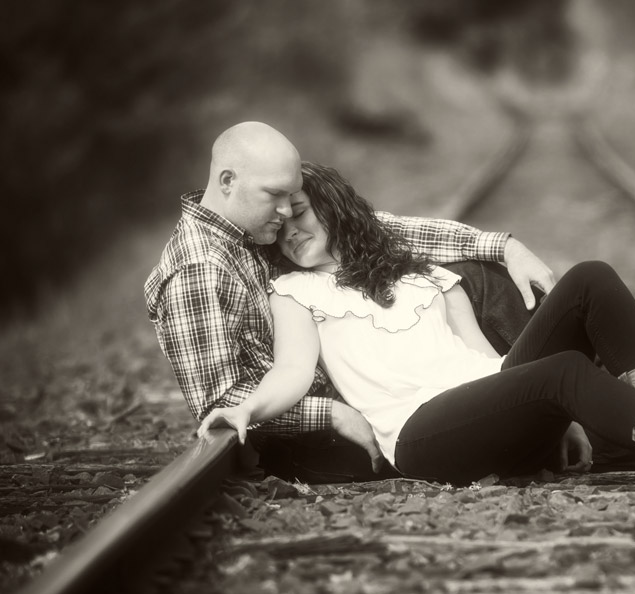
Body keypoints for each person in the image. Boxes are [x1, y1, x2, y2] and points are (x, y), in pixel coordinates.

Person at [198, 162, 635, 485]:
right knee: (565, 371)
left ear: (338, 211)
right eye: (282, 223)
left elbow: (479, 360)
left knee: (591, 277)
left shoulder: (423, 275)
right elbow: (290, 372)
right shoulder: (295, 292)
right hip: (421, 435)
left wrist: (544, 412)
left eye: (303, 213)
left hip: (486, 400)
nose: (292, 228)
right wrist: (246, 410)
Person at [144, 121, 556, 480]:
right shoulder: (197, 270)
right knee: (471, 283)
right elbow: (221, 402)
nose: (286, 210)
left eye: (292, 200)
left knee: (470, 273)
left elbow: (380, 233)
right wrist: (330, 415)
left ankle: (562, 398)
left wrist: (504, 247)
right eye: (275, 195)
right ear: (228, 182)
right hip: (321, 436)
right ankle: (561, 410)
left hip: (353, 384)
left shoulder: (252, 225)